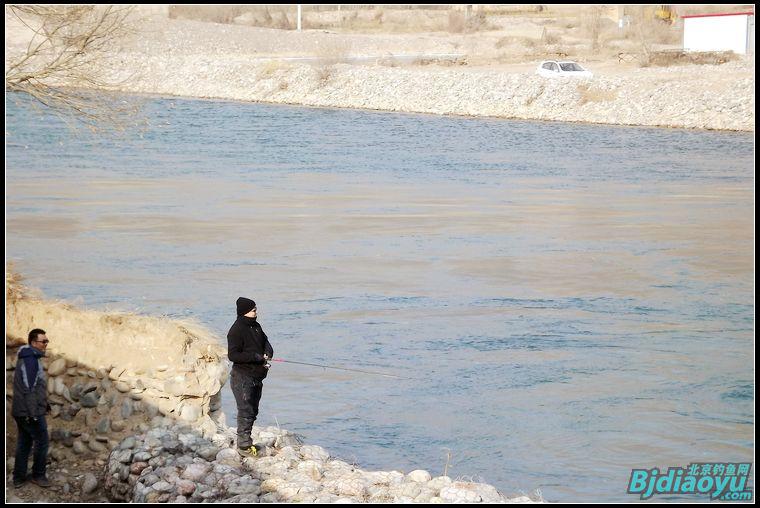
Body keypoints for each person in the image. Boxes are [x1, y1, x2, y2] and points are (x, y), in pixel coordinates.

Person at [227, 297, 273, 457]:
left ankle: (247, 442)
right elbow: (233, 355)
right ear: (245, 312)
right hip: (242, 377)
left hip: (257, 376)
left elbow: (265, 341)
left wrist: (268, 351)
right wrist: (256, 357)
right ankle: (244, 446)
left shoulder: (256, 326)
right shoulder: (236, 330)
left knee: (253, 410)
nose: (256, 312)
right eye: (254, 310)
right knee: (245, 410)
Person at [12, 328, 52, 488]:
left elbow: (34, 386)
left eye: (47, 341)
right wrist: (33, 414)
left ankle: (19, 478)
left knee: (25, 442)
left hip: (22, 410)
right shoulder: (30, 360)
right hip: (29, 411)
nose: (46, 344)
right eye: (44, 341)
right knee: (42, 441)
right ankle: (38, 475)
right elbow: (29, 389)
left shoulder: (30, 356)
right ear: (34, 343)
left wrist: (45, 404)